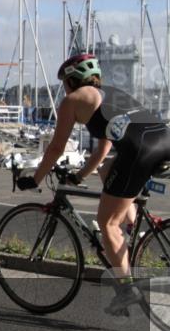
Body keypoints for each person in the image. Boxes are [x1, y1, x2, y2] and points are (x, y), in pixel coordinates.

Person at [16, 53, 170, 315]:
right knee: (109, 168)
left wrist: (35, 178)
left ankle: (126, 289)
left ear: (72, 80)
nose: (63, 88)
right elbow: (103, 152)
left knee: (108, 222)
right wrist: (80, 176)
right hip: (163, 140)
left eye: (64, 82)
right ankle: (133, 226)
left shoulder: (73, 101)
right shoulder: (110, 93)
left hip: (140, 152)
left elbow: (55, 148)